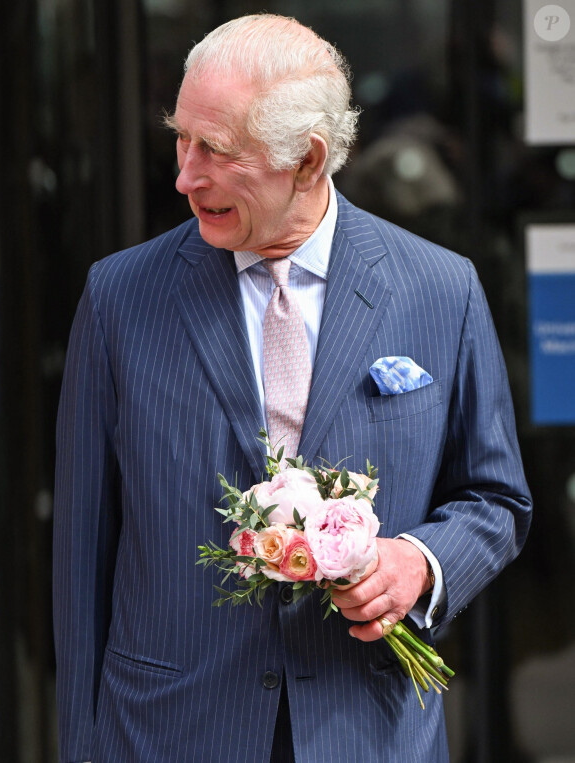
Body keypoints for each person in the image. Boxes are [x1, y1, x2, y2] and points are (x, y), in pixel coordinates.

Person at [53, 13, 532, 763]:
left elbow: (497, 499)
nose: (183, 174)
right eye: (181, 138)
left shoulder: (442, 289)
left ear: (308, 161)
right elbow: (82, 556)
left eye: (214, 149)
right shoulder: (119, 299)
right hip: (166, 734)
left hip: (366, 731)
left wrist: (420, 562)